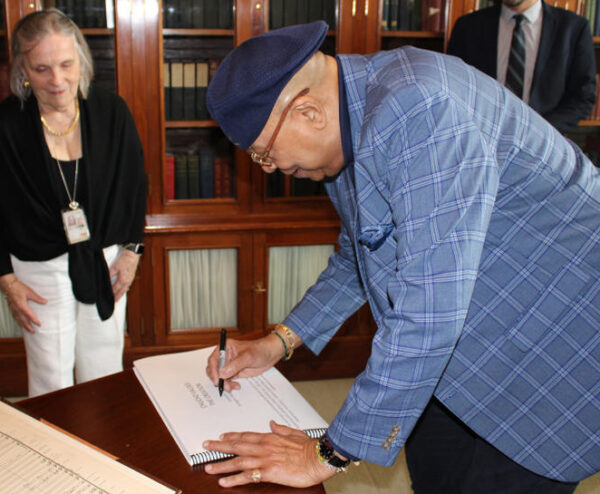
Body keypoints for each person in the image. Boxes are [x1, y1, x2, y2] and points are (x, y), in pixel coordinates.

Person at [202, 21, 600, 493]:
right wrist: (279, 341)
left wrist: (326, 454)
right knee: (433, 474)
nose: (273, 171)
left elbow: (428, 310)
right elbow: (362, 252)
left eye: (264, 154)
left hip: (549, 351)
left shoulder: (420, 108)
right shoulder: (351, 118)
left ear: (308, 112)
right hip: (459, 347)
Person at [0, 9, 147, 397]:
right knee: (51, 375)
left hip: (106, 260)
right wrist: (7, 281)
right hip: (37, 268)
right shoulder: (5, 126)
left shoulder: (111, 111)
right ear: (22, 71)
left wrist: (132, 251)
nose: (57, 80)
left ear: (81, 61)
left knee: (104, 366)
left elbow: (136, 186)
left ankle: (102, 451)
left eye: (66, 64)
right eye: (41, 68)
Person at [447, 0, 596, 133]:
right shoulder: (468, 26)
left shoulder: (573, 28)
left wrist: (538, 132)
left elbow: (582, 97)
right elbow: (453, 90)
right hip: (481, 143)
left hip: (544, 146)